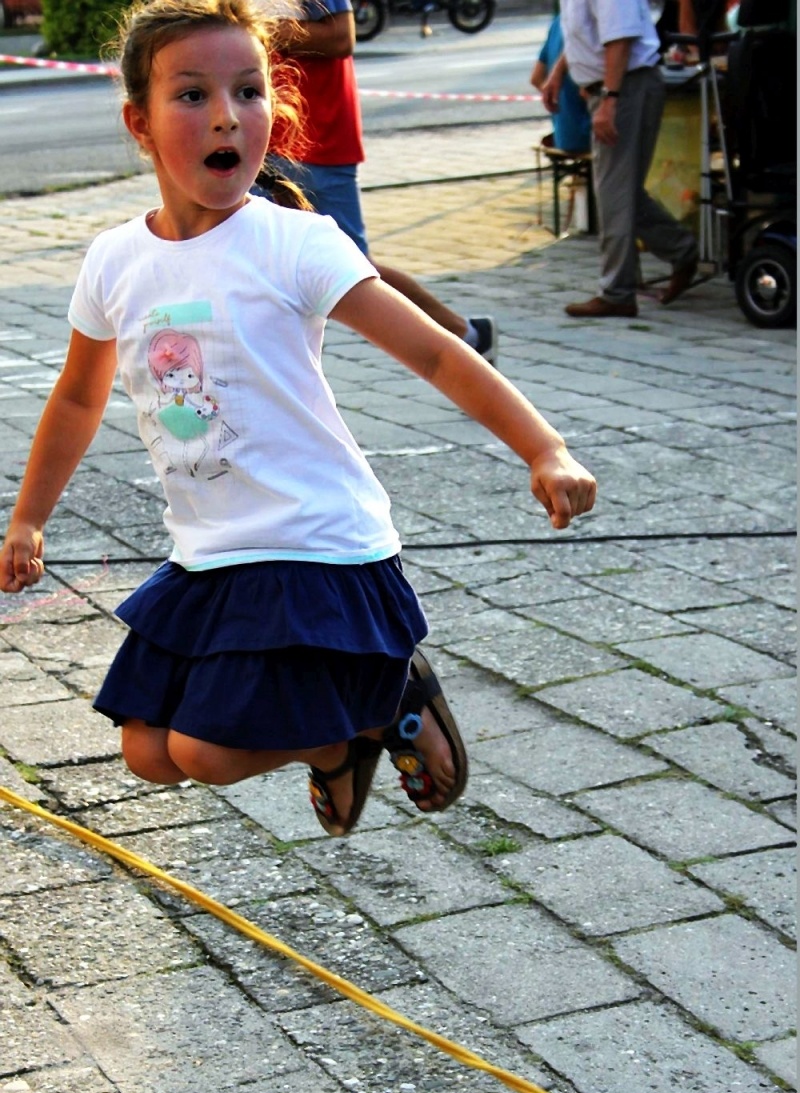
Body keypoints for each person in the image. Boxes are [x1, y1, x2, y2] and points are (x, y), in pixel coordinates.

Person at [0, 0, 596, 840]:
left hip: (316, 543)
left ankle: (380, 703)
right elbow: (75, 397)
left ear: (272, 111)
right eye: (193, 95)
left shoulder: (296, 244)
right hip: (211, 554)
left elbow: (434, 353)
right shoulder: (114, 260)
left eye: (248, 91)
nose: (226, 115)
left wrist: (546, 447)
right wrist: (29, 517)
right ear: (139, 123)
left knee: (205, 751)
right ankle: (337, 743)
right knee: (147, 751)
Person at [262, 0, 499, 365]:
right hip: (260, 137)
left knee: (354, 268)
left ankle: (465, 336)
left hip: (317, 140)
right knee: (257, 258)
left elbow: (341, 37)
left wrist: (256, 28)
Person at [541, 0, 700, 318]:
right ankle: (683, 251)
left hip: (626, 88)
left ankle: (618, 292)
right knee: (621, 193)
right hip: (613, 88)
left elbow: (620, 37)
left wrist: (610, 99)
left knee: (614, 195)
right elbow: (583, 35)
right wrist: (559, 73)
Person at [530, 13, 591, 153]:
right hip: (587, 135)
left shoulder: (558, 21)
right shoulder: (588, 22)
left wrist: (558, 100)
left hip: (563, 135)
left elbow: (536, 78)